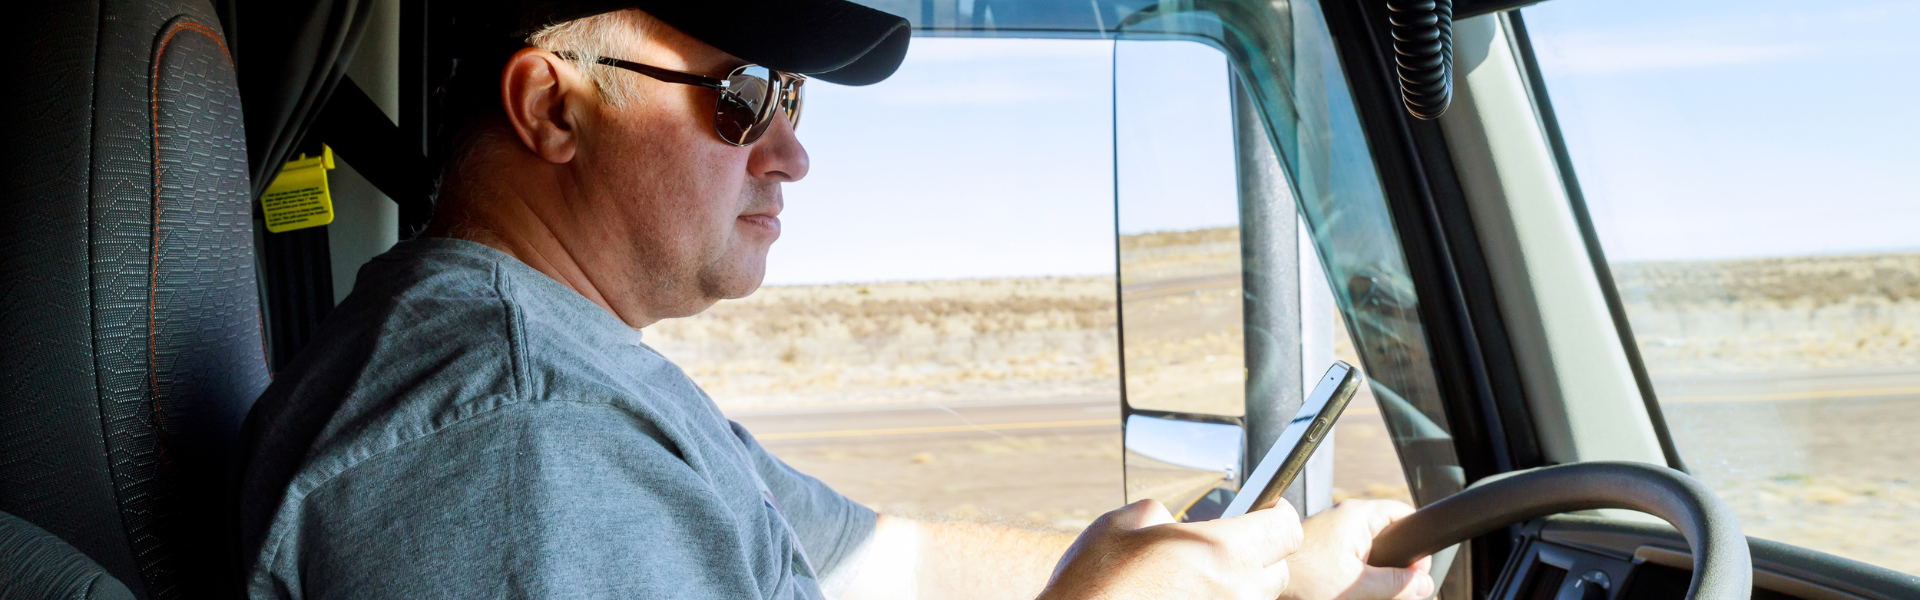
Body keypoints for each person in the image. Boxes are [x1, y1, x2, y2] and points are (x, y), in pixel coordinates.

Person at [236, 1, 1437, 598]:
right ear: (554, 108)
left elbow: (885, 559)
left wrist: (1228, 567)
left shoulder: (579, 379)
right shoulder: (514, 447)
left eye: (793, 102)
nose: (791, 153)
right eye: (746, 96)